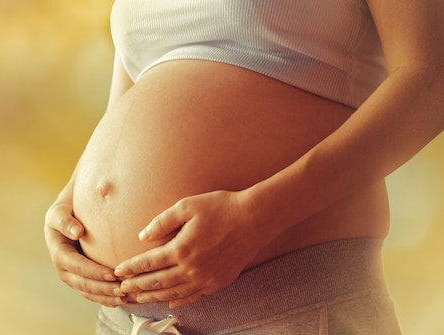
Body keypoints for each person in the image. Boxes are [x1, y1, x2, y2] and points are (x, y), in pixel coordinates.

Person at [44, 0, 444, 334]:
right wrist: (71, 200)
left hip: (286, 307)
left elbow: (431, 81)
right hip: (123, 319)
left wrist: (258, 217)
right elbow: (138, 83)